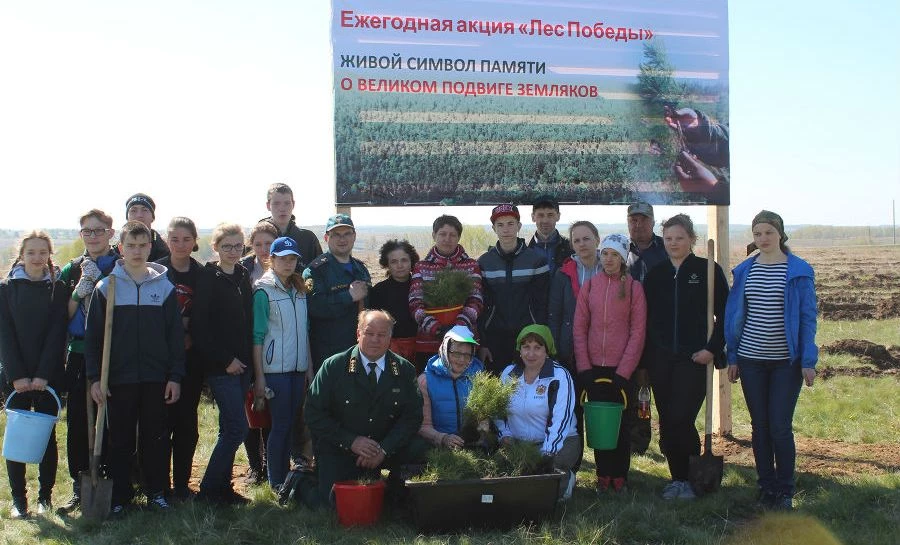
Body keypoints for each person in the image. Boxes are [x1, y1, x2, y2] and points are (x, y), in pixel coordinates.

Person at [85, 220, 185, 516]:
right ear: (121, 248)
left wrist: (175, 376)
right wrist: (94, 379)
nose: (137, 251)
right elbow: (93, 340)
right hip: (118, 378)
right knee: (121, 440)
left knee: (155, 437)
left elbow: (175, 338)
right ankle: (120, 495)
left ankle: (156, 491)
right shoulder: (107, 288)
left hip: (156, 378)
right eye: (131, 246)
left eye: (143, 246)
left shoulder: (164, 288)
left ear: (150, 247)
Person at [725, 211, 818, 511]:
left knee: (779, 425)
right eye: (757, 234)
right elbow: (734, 317)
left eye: (768, 232)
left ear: (780, 234)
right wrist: (733, 356)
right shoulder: (744, 271)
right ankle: (766, 486)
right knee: (759, 426)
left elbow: (807, 318)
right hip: (751, 360)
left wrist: (808, 359)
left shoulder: (798, 271)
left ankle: (785, 490)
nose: (762, 238)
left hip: (785, 363)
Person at [643, 214, 728, 500]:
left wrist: (712, 349)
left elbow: (726, 315)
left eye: (679, 238)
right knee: (667, 421)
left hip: (695, 359)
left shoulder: (707, 271)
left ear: (692, 239)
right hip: (661, 358)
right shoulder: (655, 274)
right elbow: (646, 319)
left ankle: (691, 479)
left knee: (681, 417)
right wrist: (648, 357)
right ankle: (677, 478)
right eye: (668, 238)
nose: (673, 243)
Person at [305, 309, 427, 506]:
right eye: (369, 333)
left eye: (381, 335)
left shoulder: (404, 370)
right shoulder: (334, 367)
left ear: (390, 337)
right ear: (358, 334)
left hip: (385, 447)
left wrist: (385, 449)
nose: (375, 340)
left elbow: (412, 417)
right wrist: (351, 441)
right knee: (332, 504)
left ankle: (396, 491)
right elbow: (313, 413)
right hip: (342, 448)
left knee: (419, 449)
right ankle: (299, 482)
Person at [0, 231, 68, 518]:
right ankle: (19, 500)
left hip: (47, 375)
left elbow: (57, 333)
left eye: (43, 252)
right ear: (21, 254)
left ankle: (45, 497)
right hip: (15, 375)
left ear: (49, 254)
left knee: (45, 437)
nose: (37, 258)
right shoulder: (5, 289)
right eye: (31, 252)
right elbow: (4, 333)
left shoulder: (58, 287)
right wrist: (17, 375)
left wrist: (42, 375)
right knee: (16, 438)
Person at [573, 234, 647, 493]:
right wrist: (584, 367)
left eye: (614, 254)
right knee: (598, 422)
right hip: (594, 369)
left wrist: (624, 372)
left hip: (621, 371)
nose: (608, 259)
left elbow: (638, 333)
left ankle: (620, 476)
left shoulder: (634, 288)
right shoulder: (590, 286)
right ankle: (603, 475)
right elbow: (580, 329)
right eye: (605, 254)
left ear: (623, 257)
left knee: (621, 424)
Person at [57, 209, 119, 514]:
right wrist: (80, 291)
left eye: (99, 230)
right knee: (80, 422)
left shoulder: (120, 267)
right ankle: (80, 484)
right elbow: (61, 317)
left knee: (112, 419)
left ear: (110, 232)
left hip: (114, 354)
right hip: (81, 353)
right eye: (87, 231)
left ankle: (111, 477)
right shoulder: (71, 270)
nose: (93, 236)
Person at [193, 223, 253, 504]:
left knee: (227, 427)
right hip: (222, 366)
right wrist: (226, 360)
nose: (233, 251)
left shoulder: (242, 276)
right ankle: (207, 491)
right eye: (226, 246)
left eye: (238, 246)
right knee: (237, 429)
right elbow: (200, 328)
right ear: (215, 247)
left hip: (242, 365)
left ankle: (223, 490)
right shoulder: (208, 278)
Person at [251, 236, 313, 489]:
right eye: (283, 258)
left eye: (292, 259)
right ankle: (276, 481)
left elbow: (305, 331)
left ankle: (287, 477)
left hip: (297, 369)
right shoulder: (263, 291)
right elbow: (257, 336)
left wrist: (309, 367)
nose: (288, 263)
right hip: (275, 370)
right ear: (271, 259)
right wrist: (260, 376)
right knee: (281, 425)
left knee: (293, 424)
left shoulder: (299, 290)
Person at [155, 217, 207, 501]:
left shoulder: (202, 274)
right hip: (160, 360)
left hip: (191, 361)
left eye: (186, 239)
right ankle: (160, 484)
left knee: (186, 424)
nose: (181, 245)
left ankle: (182, 484)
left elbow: (206, 315)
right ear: (167, 239)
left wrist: (190, 333)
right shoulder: (157, 272)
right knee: (161, 424)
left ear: (195, 240)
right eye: (175, 238)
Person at [496, 325, 579, 500]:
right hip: (519, 443)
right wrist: (505, 435)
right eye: (526, 347)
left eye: (537, 347)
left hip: (560, 443)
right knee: (501, 478)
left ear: (547, 351)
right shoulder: (508, 374)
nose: (531, 354)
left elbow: (561, 419)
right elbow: (499, 412)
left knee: (540, 493)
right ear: (520, 350)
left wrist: (546, 454)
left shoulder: (560, 376)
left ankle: (566, 479)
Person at [478, 204, 550, 374]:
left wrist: (541, 340)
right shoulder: (484, 262)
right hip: (495, 339)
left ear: (519, 226)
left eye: (511, 224)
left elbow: (542, 305)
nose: (506, 230)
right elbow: (481, 306)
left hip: (528, 338)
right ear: (494, 228)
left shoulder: (536, 261)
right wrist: (484, 343)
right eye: (500, 225)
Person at [408, 215, 483, 365]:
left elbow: (476, 300)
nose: (447, 239)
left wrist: (458, 326)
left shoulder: (471, 265)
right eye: (442, 234)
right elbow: (415, 303)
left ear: (459, 237)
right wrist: (435, 328)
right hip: (429, 343)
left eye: (452, 235)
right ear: (434, 235)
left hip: (464, 343)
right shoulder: (421, 267)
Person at [303, 214, 371, 373]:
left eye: (347, 234)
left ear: (354, 237)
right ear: (326, 238)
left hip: (360, 350)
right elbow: (314, 307)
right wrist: (348, 297)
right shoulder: (315, 271)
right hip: (328, 353)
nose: (342, 239)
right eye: (336, 235)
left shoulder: (361, 269)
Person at [625, 202, 667, 454]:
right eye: (633, 220)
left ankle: (669, 440)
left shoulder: (666, 248)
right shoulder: (619, 249)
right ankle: (637, 441)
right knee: (635, 389)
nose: (638, 224)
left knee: (663, 388)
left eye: (642, 219)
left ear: (652, 221)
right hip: (629, 331)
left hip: (660, 331)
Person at [238, 221, 278, 483]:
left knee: (274, 408)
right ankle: (255, 465)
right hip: (247, 344)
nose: (263, 249)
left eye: (268, 244)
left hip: (276, 347)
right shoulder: (242, 270)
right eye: (258, 244)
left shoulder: (286, 267)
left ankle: (271, 462)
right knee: (250, 406)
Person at [416, 325, 485, 448]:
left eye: (467, 354)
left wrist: (482, 436)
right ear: (444, 351)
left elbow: (485, 418)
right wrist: (443, 439)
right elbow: (423, 426)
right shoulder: (425, 381)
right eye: (456, 353)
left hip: (473, 446)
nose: (462, 360)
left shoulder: (480, 378)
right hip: (436, 449)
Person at [369, 239, 420, 363]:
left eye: (404, 260)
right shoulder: (378, 291)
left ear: (411, 261)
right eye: (394, 261)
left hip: (420, 349)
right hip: (389, 351)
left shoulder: (421, 287)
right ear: (387, 265)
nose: (400, 265)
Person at [259, 183, 322, 269]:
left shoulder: (308, 239)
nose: (282, 208)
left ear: (293, 204)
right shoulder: (258, 238)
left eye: (287, 203)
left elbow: (320, 271)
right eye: (276, 203)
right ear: (268, 206)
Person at [528, 195, 572, 276]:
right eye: (540, 215)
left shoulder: (571, 249)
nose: (545, 220)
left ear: (558, 216)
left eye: (550, 215)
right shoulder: (524, 251)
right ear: (533, 217)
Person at [125, 193, 170, 261]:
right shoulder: (115, 253)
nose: (139, 215)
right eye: (133, 210)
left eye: (145, 210)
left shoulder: (164, 251)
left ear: (152, 217)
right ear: (127, 218)